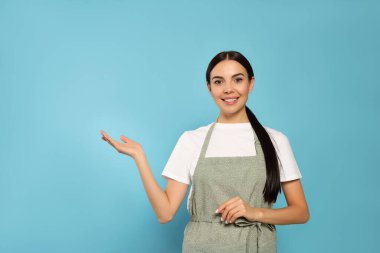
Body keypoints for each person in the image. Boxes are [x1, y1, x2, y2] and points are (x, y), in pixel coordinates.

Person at [100, 50, 310, 252]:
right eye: (219, 81)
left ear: (251, 83)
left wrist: (255, 213)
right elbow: (165, 214)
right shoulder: (192, 140)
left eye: (237, 79)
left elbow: (301, 212)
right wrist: (139, 157)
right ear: (209, 87)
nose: (228, 89)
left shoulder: (275, 140)